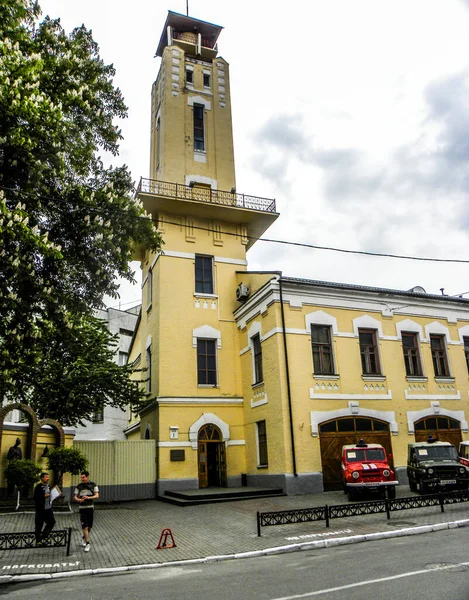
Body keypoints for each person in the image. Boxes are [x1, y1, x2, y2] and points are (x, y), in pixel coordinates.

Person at [73, 471, 99, 553]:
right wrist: (79, 500)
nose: (82, 479)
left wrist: (88, 498)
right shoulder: (79, 486)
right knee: (85, 526)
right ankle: (87, 543)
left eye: (83, 477)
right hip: (82, 508)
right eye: (81, 477)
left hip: (90, 507)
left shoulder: (93, 485)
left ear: (87, 477)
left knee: (90, 526)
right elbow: (75, 496)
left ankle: (84, 537)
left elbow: (97, 495)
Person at [33, 472, 56, 545]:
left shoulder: (48, 486)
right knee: (39, 524)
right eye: (46, 477)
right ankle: (38, 540)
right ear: (42, 478)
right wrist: (43, 496)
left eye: (48, 477)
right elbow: (35, 497)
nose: (48, 478)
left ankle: (45, 535)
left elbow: (50, 494)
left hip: (48, 508)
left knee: (52, 521)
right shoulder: (38, 487)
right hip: (40, 509)